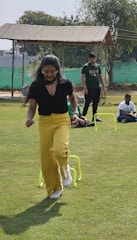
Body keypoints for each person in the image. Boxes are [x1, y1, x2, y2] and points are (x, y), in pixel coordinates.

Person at [23, 55, 81, 199]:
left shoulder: (65, 84)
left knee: (60, 149)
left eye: (52, 71)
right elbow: (32, 107)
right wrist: (29, 118)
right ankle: (55, 188)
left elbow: (73, 99)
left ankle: (65, 169)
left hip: (62, 120)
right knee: (47, 160)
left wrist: (75, 113)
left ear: (57, 70)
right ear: (41, 70)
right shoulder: (36, 86)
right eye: (46, 71)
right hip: (44, 122)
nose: (49, 74)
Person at [81, 52, 107, 122]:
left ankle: (94, 117)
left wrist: (104, 86)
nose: (92, 60)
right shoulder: (85, 66)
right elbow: (83, 77)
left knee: (95, 103)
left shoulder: (97, 66)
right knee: (87, 103)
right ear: (89, 59)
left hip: (96, 88)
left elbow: (100, 76)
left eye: (94, 59)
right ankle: (82, 117)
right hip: (89, 88)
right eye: (91, 59)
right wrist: (85, 87)